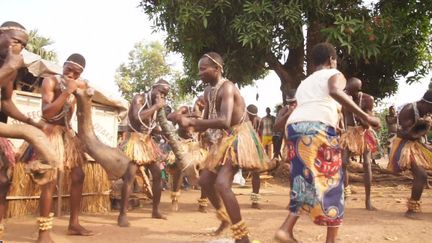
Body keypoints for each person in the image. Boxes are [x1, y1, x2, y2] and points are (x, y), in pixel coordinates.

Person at [274, 43, 380, 243]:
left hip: (296, 129)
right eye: (335, 60)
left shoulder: (305, 82)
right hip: (317, 128)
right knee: (333, 181)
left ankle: (286, 229)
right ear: (332, 59)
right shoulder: (335, 74)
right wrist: (367, 117)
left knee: (304, 180)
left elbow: (309, 106)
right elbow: (334, 91)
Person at [170, 52, 269, 243]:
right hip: (223, 139)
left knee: (222, 184)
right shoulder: (208, 91)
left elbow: (224, 121)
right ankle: (224, 217)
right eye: (199, 69)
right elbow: (207, 120)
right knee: (206, 180)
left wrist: (192, 122)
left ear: (217, 68)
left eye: (203, 68)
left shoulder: (228, 88)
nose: (199, 73)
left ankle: (243, 237)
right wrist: (192, 123)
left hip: (238, 137)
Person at [0, 21, 56, 243]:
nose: (19, 49)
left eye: (23, 45)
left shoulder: (10, 68)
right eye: (15, 41)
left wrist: (29, 122)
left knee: (3, 180)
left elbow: (4, 103)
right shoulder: (9, 66)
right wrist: (9, 68)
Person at [40, 53, 93, 236]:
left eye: (76, 73)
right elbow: (47, 113)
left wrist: (84, 89)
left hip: (67, 134)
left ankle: (74, 224)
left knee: (78, 175)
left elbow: (86, 92)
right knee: (49, 180)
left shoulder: (77, 85)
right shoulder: (50, 81)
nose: (71, 75)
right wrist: (66, 92)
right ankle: (43, 233)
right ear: (63, 65)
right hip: (49, 133)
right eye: (69, 69)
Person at [118, 79, 169, 227]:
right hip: (134, 141)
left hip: (148, 143)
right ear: (153, 88)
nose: (162, 96)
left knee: (158, 175)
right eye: (160, 92)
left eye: (165, 95)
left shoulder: (156, 107)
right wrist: (157, 106)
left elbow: (151, 126)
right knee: (130, 176)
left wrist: (167, 132)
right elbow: (136, 117)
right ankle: (122, 214)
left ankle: (156, 210)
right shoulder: (138, 98)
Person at [388, 90, 432, 219]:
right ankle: (412, 210)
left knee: (422, 175)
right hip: (404, 145)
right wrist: (421, 126)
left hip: (417, 143)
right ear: (424, 103)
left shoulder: (425, 111)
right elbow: (405, 134)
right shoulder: (408, 110)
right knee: (421, 175)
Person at [340, 77, 379, 210]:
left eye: (349, 91)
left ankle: (368, 200)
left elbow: (367, 123)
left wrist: (357, 112)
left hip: (363, 132)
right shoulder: (343, 98)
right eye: (346, 90)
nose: (346, 92)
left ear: (357, 90)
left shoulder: (368, 99)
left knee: (367, 164)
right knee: (343, 162)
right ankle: (345, 194)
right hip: (348, 132)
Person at [167, 95, 209, 212]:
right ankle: (175, 199)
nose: (200, 104)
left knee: (205, 171)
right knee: (178, 170)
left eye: (203, 103)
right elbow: (171, 116)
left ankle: (203, 203)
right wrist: (191, 115)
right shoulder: (186, 109)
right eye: (199, 101)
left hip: (196, 145)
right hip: (182, 144)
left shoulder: (206, 116)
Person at [245, 104, 263, 209]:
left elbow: (259, 135)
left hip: (254, 148)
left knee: (256, 173)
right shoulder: (241, 120)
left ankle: (255, 201)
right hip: (241, 147)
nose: (251, 118)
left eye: (253, 116)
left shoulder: (260, 121)